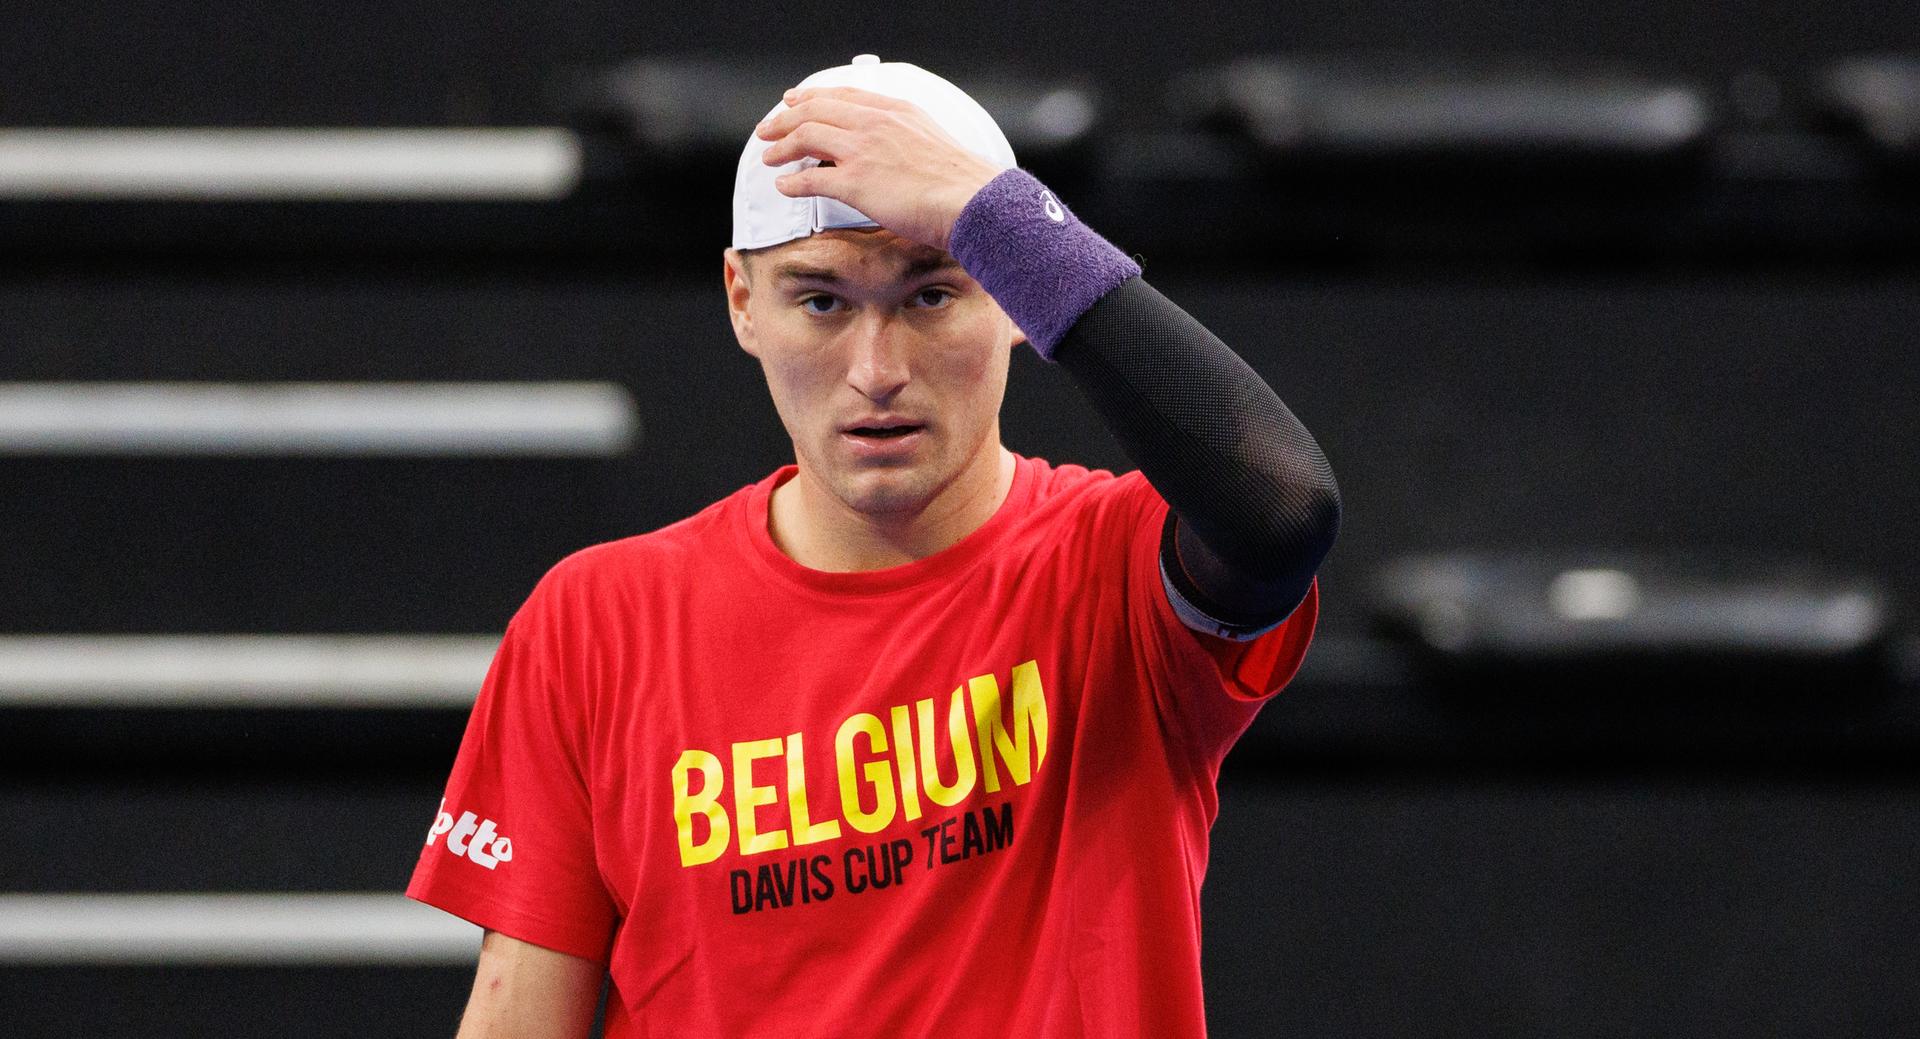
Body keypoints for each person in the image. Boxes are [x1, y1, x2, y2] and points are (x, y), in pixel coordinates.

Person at [407, 53, 1340, 1038]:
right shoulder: (598, 622)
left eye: (930, 294)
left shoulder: (1112, 570)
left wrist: (1001, 219)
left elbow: (1280, 507)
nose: (876, 370)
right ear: (741, 301)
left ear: (1011, 300)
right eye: (823, 301)